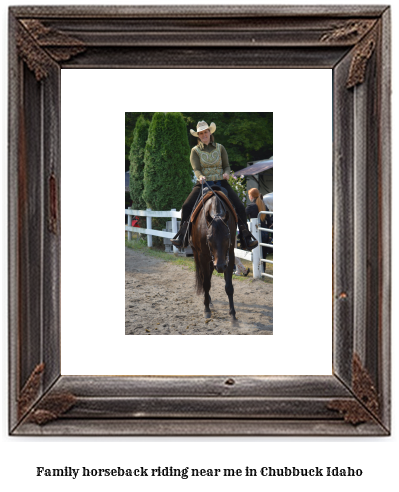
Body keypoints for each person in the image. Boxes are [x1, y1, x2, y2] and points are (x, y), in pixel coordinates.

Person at [171, 121, 258, 251]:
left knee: (239, 206)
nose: (203, 134)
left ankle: (245, 237)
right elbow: (196, 168)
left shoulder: (220, 147)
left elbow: (227, 166)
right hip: (203, 183)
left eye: (205, 132)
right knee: (186, 206)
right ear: (198, 136)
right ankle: (183, 236)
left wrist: (227, 173)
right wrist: (200, 176)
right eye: (201, 133)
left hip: (221, 182)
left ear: (210, 132)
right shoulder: (195, 151)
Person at [246, 188, 271, 267]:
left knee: (256, 253)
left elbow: (241, 216)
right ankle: (263, 271)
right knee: (263, 254)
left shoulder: (251, 206)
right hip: (265, 233)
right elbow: (269, 222)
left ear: (251, 196)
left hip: (256, 233)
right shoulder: (264, 206)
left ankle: (258, 272)